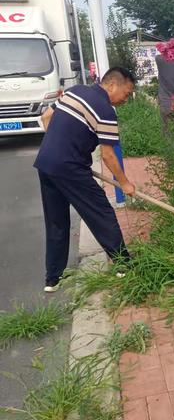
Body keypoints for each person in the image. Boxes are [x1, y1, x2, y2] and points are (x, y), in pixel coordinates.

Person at [34, 67, 136, 292]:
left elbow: (46, 117)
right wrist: (125, 183)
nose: (125, 100)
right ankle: (123, 265)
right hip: (71, 168)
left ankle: (53, 279)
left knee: (56, 222)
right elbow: (108, 155)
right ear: (112, 85)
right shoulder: (105, 110)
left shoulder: (74, 91)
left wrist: (59, 145)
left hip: (46, 162)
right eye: (126, 94)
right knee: (101, 212)